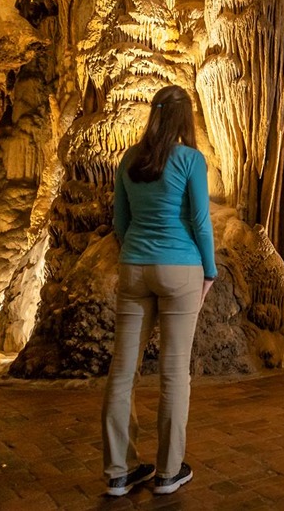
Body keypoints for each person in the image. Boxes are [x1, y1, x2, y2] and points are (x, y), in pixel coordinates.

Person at [102, 85, 217, 496]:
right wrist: (210, 272)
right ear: (185, 119)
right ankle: (168, 472)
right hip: (180, 269)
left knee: (122, 371)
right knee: (173, 373)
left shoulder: (130, 159)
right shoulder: (190, 159)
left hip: (133, 268)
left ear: (154, 115)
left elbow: (120, 221)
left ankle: (119, 471)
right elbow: (202, 223)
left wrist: (137, 251)